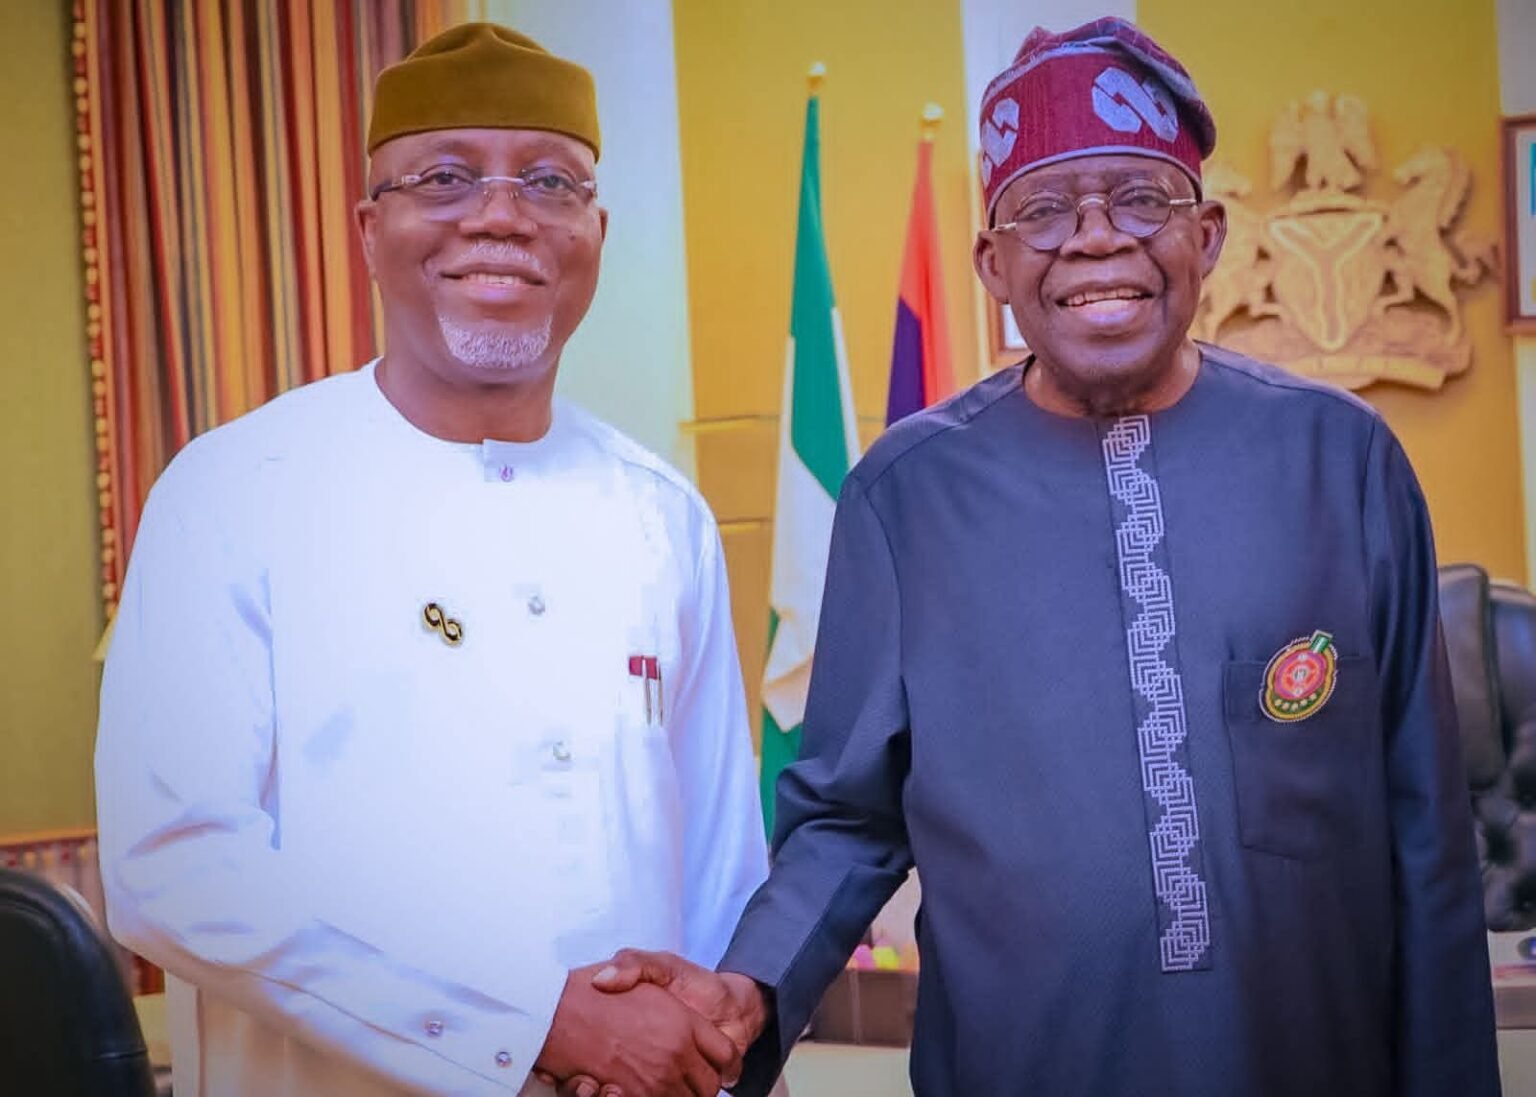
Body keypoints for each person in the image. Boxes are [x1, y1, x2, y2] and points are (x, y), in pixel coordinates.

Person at [580, 17, 1500, 1097]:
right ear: (993, 262)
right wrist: (751, 989)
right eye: (1045, 210)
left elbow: (1427, 830)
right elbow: (849, 817)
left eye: (1142, 199)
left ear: (1207, 236)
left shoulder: (1340, 461)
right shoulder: (905, 496)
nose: (1097, 239)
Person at [94, 22, 765, 1097]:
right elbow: (173, 868)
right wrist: (534, 1025)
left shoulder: (663, 515)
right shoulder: (231, 492)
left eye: (550, 181)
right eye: (446, 178)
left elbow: (723, 868)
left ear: (595, 230)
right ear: (370, 230)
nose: (502, 215)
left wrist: (718, 1045)